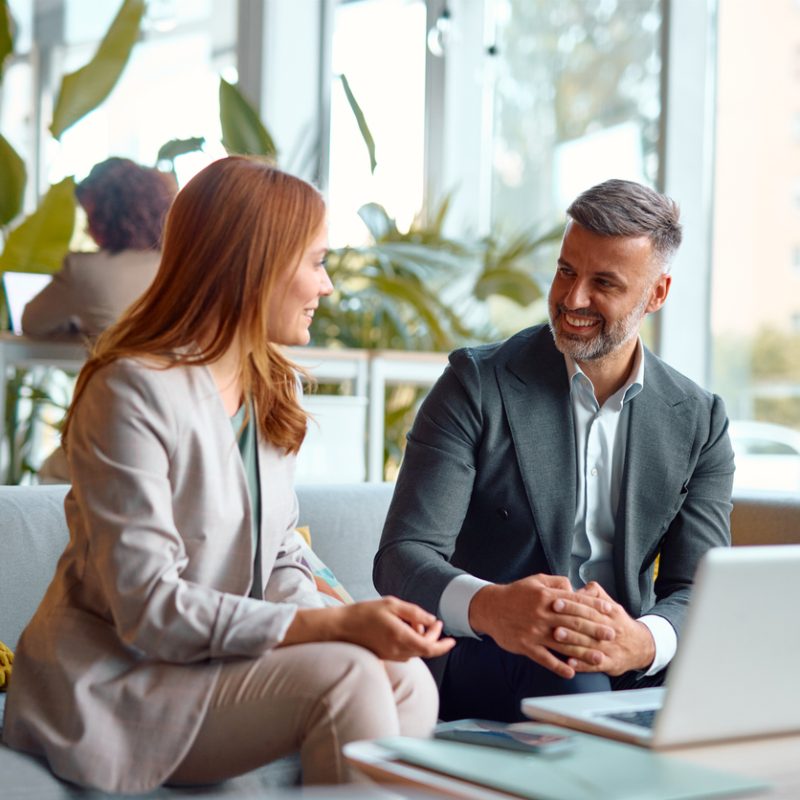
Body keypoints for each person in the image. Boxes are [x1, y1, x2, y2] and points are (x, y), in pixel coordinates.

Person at [2, 157, 453, 794]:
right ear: (257, 265)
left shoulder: (270, 385)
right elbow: (149, 607)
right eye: (317, 262)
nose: (327, 288)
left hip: (218, 663)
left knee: (402, 676)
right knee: (347, 675)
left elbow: (279, 554)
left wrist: (358, 617)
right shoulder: (131, 392)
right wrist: (330, 629)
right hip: (121, 680)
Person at [374, 179, 735, 723]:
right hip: (487, 653)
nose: (573, 299)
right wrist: (492, 607)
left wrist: (643, 640)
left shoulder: (700, 420)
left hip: (626, 658)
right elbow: (402, 557)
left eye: (604, 283)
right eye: (567, 270)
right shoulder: (476, 383)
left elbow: (696, 588)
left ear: (657, 294)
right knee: (575, 673)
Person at [21, 156, 176, 337]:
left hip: (116, 364)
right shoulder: (179, 265)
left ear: (106, 218)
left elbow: (32, 323)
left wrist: (79, 320)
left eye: (91, 217)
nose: (88, 228)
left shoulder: (83, 270)